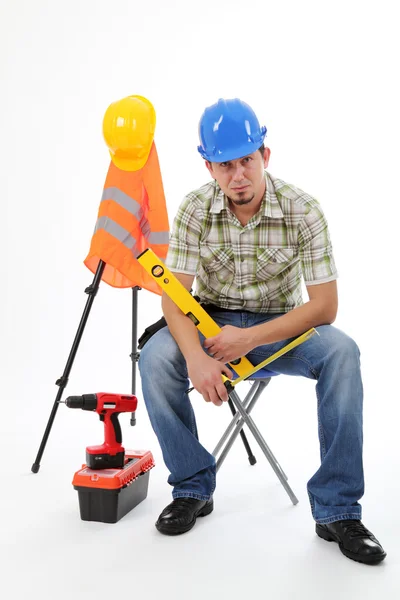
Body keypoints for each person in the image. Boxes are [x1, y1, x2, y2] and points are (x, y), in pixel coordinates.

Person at [138, 98, 386, 565]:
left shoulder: (303, 209)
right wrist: (196, 356)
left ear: (264, 156)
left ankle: (338, 511)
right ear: (209, 165)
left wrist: (248, 338)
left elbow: (325, 307)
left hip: (281, 330)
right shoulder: (194, 208)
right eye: (225, 165)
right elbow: (174, 297)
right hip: (208, 325)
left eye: (247, 160)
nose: (238, 176)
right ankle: (192, 487)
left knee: (343, 354)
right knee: (153, 359)